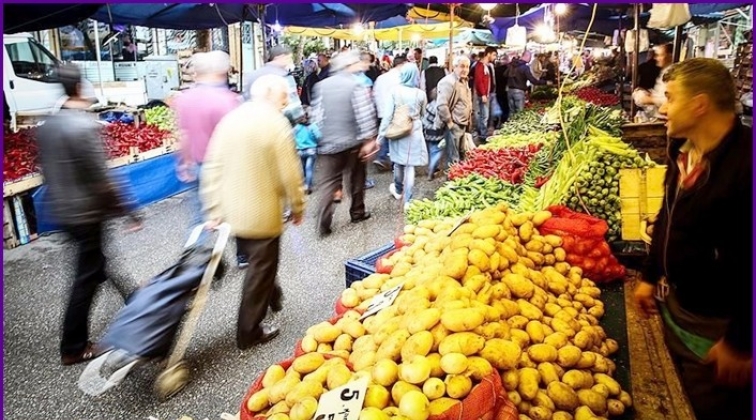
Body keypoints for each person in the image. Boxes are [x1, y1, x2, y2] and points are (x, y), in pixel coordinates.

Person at [633, 58, 752, 420]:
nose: (662, 107)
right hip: (680, 309)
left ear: (699, 105)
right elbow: (668, 215)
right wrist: (650, 275)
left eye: (669, 97)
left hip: (720, 333)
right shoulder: (684, 151)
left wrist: (740, 341)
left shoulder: (747, 163)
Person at [36, 63, 142, 366]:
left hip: (64, 211)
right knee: (86, 277)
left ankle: (135, 299)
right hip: (86, 212)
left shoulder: (48, 126)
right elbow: (103, 179)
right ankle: (74, 345)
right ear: (80, 87)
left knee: (98, 263)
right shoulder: (83, 126)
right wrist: (129, 212)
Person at [201, 74, 305, 350]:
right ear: (272, 95)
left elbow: (212, 166)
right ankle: (249, 331)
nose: (285, 104)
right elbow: (290, 175)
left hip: (231, 211)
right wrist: (297, 206)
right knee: (261, 268)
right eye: (284, 98)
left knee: (260, 261)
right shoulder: (276, 124)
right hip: (261, 213)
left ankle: (274, 296)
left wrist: (213, 208)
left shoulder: (231, 119)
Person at [173, 51, 242, 262]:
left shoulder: (184, 98)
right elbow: (235, 138)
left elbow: (182, 134)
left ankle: (193, 263)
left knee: (199, 216)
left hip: (196, 163)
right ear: (221, 71)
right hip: (223, 167)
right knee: (235, 210)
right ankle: (243, 254)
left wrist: (184, 161)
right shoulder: (228, 100)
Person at [310, 51, 378, 237]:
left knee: (328, 184)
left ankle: (323, 223)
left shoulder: (321, 86)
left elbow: (316, 116)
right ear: (348, 66)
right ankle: (357, 212)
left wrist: (321, 138)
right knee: (356, 179)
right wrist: (369, 139)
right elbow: (364, 115)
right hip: (352, 142)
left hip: (327, 144)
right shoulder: (355, 85)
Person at [378, 64, 428, 210]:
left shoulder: (394, 92)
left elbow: (387, 116)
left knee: (399, 163)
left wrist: (381, 135)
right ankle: (408, 199)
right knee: (410, 165)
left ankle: (398, 189)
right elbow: (424, 115)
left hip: (398, 131)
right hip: (415, 131)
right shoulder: (421, 94)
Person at [243, 45, 305, 126]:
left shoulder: (252, 75)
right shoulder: (285, 77)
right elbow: (294, 111)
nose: (289, 61)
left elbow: (245, 100)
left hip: (253, 125)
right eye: (288, 58)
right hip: (278, 127)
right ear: (280, 57)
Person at [372, 54, 408, 171]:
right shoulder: (401, 78)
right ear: (402, 65)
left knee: (385, 134)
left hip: (382, 111)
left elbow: (375, 94)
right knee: (397, 136)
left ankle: (382, 157)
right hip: (396, 110)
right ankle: (394, 161)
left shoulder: (381, 78)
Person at [436, 55, 473, 168]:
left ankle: (459, 179)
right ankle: (452, 180)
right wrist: (449, 122)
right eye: (462, 66)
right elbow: (442, 105)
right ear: (455, 67)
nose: (465, 69)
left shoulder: (464, 81)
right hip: (454, 124)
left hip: (463, 123)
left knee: (462, 153)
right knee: (453, 157)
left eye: (467, 67)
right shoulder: (448, 82)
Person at [633, 44, 672, 121]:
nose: (656, 58)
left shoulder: (672, 74)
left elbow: (670, 99)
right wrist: (649, 93)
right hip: (659, 117)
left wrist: (649, 99)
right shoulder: (664, 71)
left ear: (670, 55)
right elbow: (662, 93)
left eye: (660, 55)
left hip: (665, 119)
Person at [507, 50, 548, 116]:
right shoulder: (525, 67)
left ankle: (509, 125)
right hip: (519, 92)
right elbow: (532, 80)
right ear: (527, 56)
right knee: (519, 113)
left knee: (511, 112)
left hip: (510, 91)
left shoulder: (512, 65)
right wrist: (545, 82)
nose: (530, 59)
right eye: (530, 57)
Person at [472, 47, 497, 140]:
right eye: (494, 55)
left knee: (484, 114)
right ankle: (482, 134)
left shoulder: (485, 65)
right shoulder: (480, 66)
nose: (494, 57)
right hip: (482, 95)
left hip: (485, 94)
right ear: (488, 54)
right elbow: (479, 81)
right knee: (484, 115)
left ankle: (482, 132)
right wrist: (483, 94)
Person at [294, 113, 321, 195]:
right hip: (311, 150)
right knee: (309, 168)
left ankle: (305, 181)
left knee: (304, 167)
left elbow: (292, 138)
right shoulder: (312, 126)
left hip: (300, 151)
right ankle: (307, 186)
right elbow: (319, 136)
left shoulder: (297, 127)